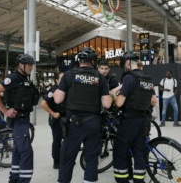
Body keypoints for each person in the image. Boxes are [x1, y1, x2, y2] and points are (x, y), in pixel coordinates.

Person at [53, 47, 112, 183]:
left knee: (67, 158)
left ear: (80, 61)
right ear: (93, 62)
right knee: (91, 160)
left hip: (73, 124)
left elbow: (57, 99)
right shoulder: (99, 77)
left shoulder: (69, 75)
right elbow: (107, 104)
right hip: (93, 124)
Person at [110, 50, 156, 183]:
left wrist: (113, 94)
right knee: (138, 152)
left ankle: (122, 180)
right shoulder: (147, 78)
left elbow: (119, 103)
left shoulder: (129, 78)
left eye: (124, 64)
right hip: (143, 120)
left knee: (120, 151)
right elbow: (154, 101)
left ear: (129, 63)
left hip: (129, 120)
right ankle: (139, 181)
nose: (124, 67)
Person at [0, 54, 38, 183]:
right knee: (26, 152)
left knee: (17, 151)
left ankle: (14, 179)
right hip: (18, 120)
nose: (31, 68)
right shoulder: (13, 78)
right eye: (29, 65)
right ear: (21, 65)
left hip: (23, 119)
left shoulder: (24, 79)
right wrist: (5, 111)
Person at [41, 71, 65, 169]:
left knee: (66, 140)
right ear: (56, 80)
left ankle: (64, 159)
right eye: (61, 79)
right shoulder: (54, 90)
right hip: (56, 120)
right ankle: (56, 161)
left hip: (65, 119)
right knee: (57, 140)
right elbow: (43, 104)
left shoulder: (66, 89)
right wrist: (53, 113)